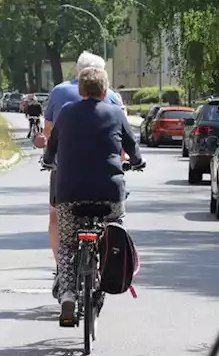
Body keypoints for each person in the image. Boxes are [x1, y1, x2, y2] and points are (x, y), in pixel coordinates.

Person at [42, 65, 144, 325]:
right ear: (106, 90)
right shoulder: (116, 113)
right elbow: (133, 149)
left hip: (70, 193)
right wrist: (137, 162)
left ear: (80, 90)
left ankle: (67, 295)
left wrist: (48, 160)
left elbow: (51, 148)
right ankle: (105, 272)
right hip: (109, 194)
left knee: (66, 244)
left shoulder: (65, 113)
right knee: (113, 232)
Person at [33, 52, 126, 262]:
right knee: (113, 219)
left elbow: (48, 131)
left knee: (57, 217)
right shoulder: (113, 97)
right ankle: (106, 262)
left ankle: (63, 268)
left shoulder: (59, 93)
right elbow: (123, 140)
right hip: (106, 175)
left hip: (66, 170)